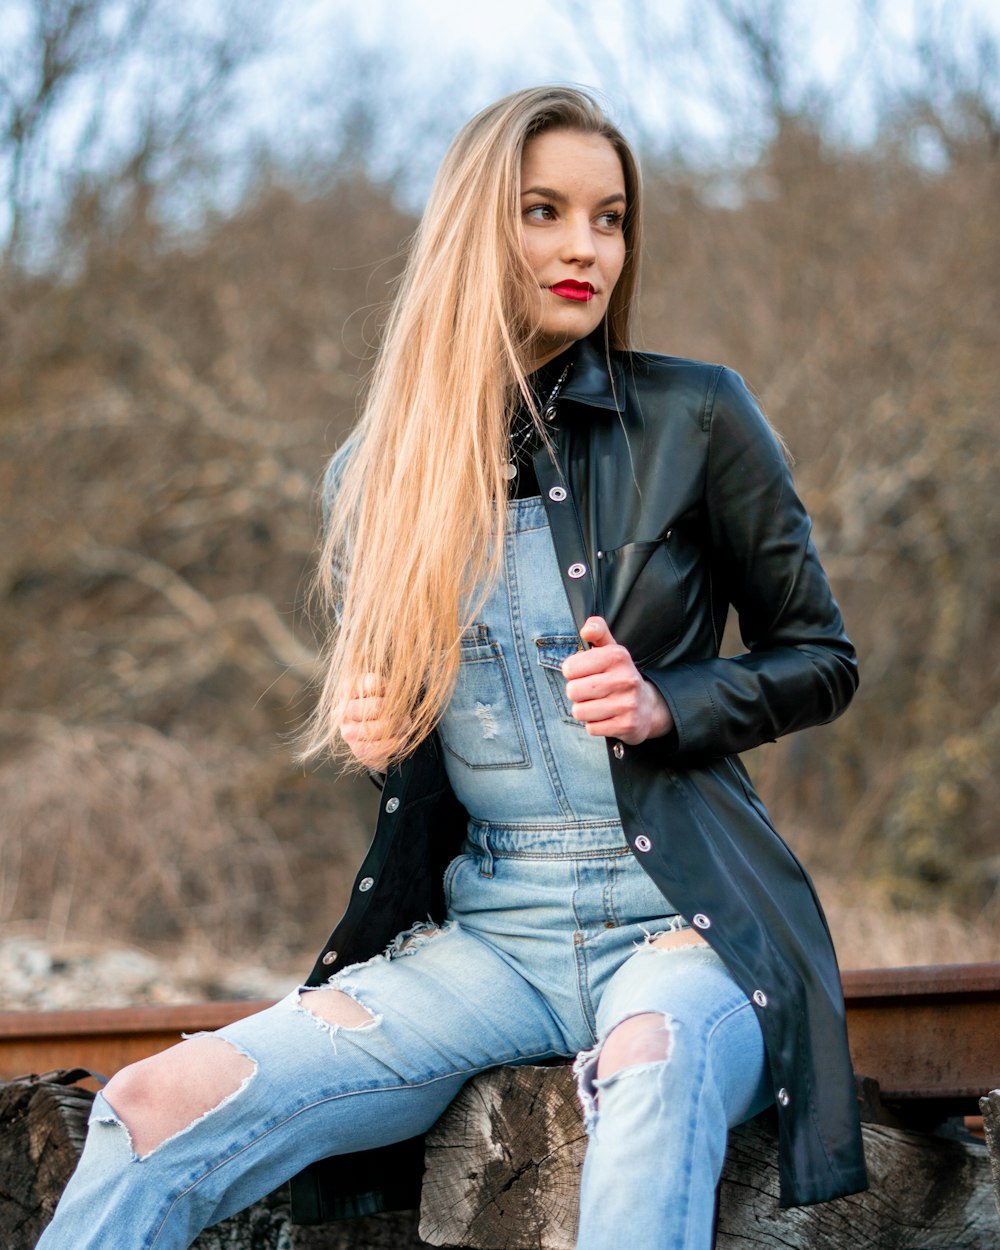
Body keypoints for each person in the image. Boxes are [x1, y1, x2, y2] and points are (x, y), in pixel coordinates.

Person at [37, 86, 867, 1250]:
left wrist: (667, 701)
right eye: (544, 210)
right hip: (485, 939)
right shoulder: (373, 473)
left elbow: (822, 657)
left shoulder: (698, 416)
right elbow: (420, 747)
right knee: (150, 1105)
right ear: (475, 225)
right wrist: (376, 731)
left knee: (650, 1075)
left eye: (610, 217)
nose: (586, 245)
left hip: (686, 924)